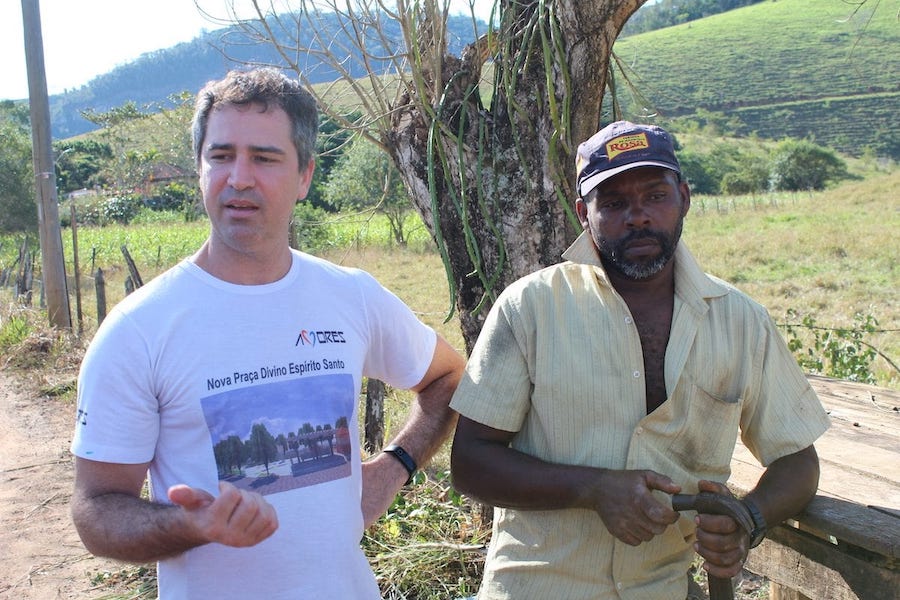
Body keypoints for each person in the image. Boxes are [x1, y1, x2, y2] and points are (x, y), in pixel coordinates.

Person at [70, 68, 465, 599]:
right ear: (199, 168)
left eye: (264, 157)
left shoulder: (351, 297)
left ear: (304, 175)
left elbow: (447, 377)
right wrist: (192, 526)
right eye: (221, 156)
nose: (238, 178)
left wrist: (395, 466)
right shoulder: (139, 330)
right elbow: (95, 509)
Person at [449, 121, 831, 599]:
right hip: (536, 585)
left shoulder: (741, 321)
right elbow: (469, 462)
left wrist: (748, 520)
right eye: (613, 203)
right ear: (583, 214)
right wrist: (591, 489)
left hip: (662, 588)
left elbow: (798, 461)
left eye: (655, 196)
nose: (638, 217)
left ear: (684, 199)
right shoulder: (531, 308)